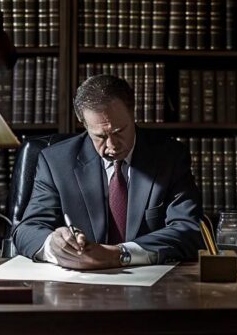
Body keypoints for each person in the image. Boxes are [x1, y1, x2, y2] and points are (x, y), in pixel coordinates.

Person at [12, 75, 204, 270]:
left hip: (150, 285)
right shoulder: (55, 162)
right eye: (100, 137)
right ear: (83, 124)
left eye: (119, 131)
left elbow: (188, 229)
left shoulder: (170, 157)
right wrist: (53, 245)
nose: (112, 146)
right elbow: (26, 230)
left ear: (133, 113)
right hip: (77, 289)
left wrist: (120, 254)